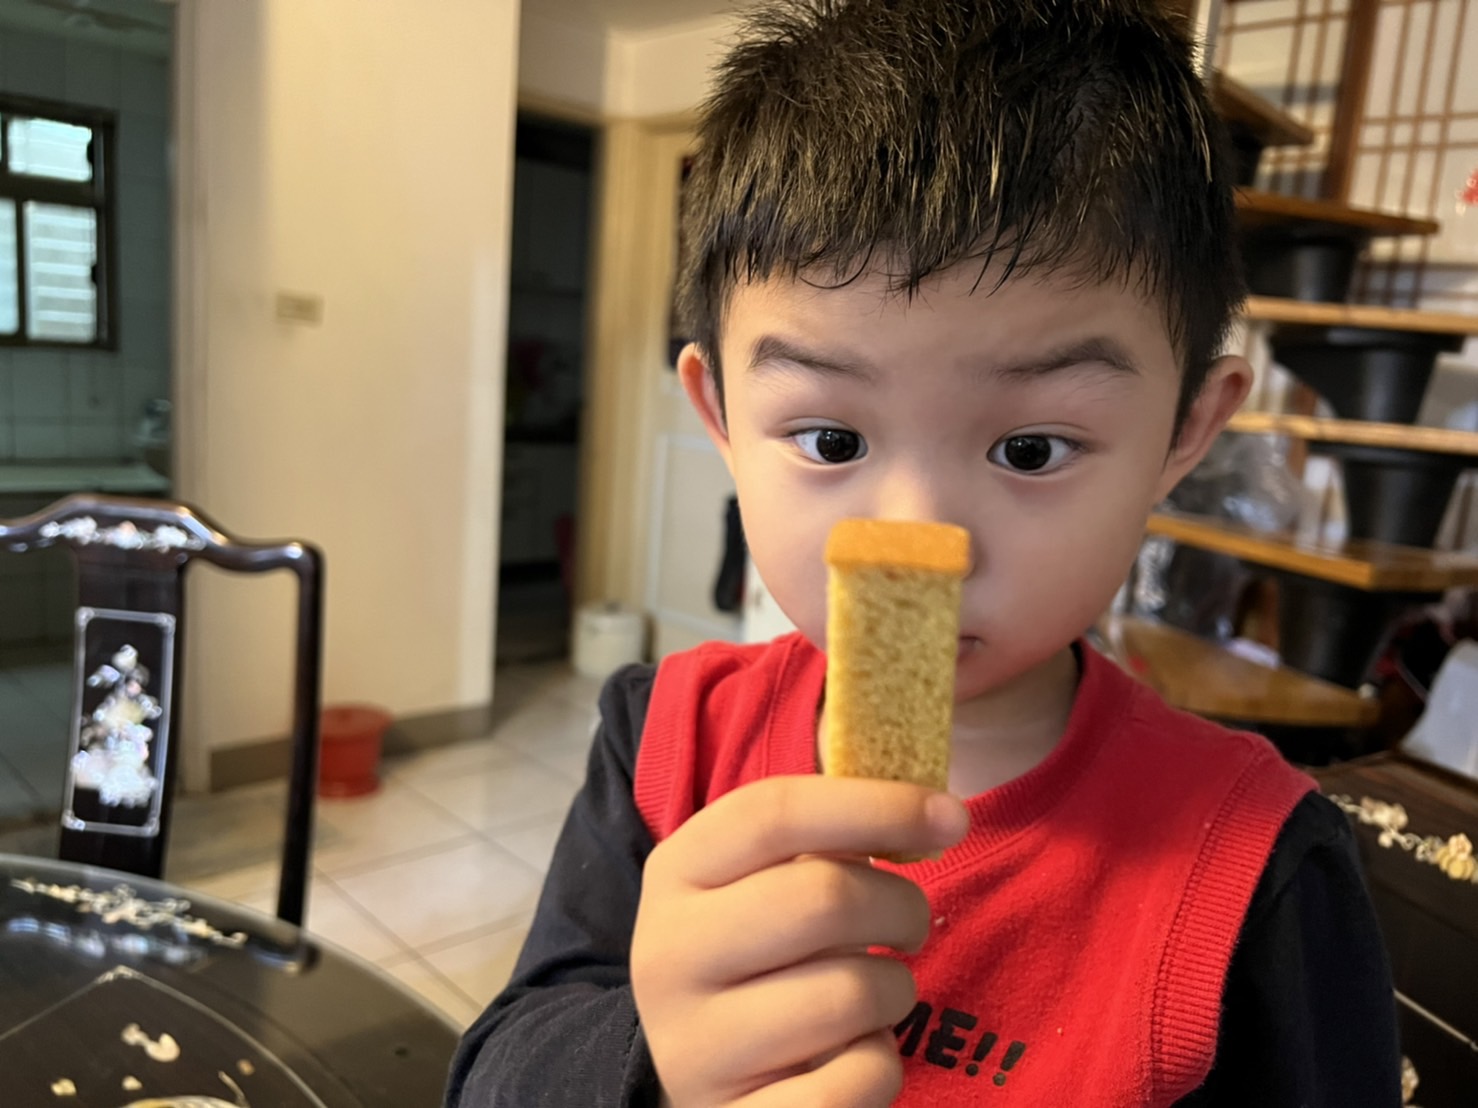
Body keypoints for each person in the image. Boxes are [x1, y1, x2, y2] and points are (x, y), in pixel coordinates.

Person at [446, 1, 1401, 1104]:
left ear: (1185, 430)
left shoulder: (1261, 865)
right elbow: (496, 1068)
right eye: (831, 440)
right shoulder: (666, 738)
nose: (916, 546)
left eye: (1031, 448)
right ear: (720, 416)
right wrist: (648, 1060)